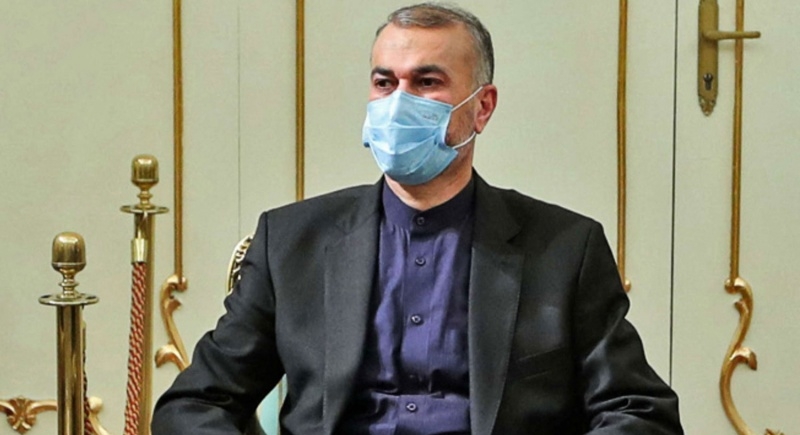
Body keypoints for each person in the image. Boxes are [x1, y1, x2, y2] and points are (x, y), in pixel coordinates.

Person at [152, 3, 683, 434]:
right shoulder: (291, 241)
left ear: (482, 107)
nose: (399, 103)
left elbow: (640, 412)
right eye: (385, 83)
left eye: (427, 82)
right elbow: (194, 404)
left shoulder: (565, 248)